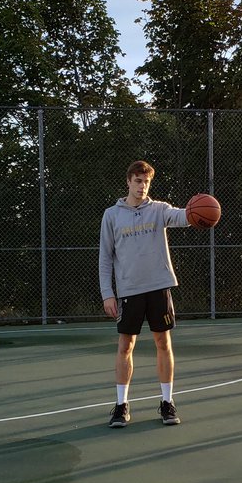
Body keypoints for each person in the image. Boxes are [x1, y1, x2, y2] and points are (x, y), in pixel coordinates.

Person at [99, 160, 193, 428]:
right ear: (128, 181)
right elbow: (105, 257)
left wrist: (202, 208)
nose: (142, 186)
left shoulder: (160, 210)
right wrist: (108, 293)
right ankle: (121, 405)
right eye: (138, 181)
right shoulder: (112, 215)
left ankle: (167, 402)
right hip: (129, 290)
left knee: (163, 343)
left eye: (147, 182)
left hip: (158, 287)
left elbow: (184, 216)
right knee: (125, 347)